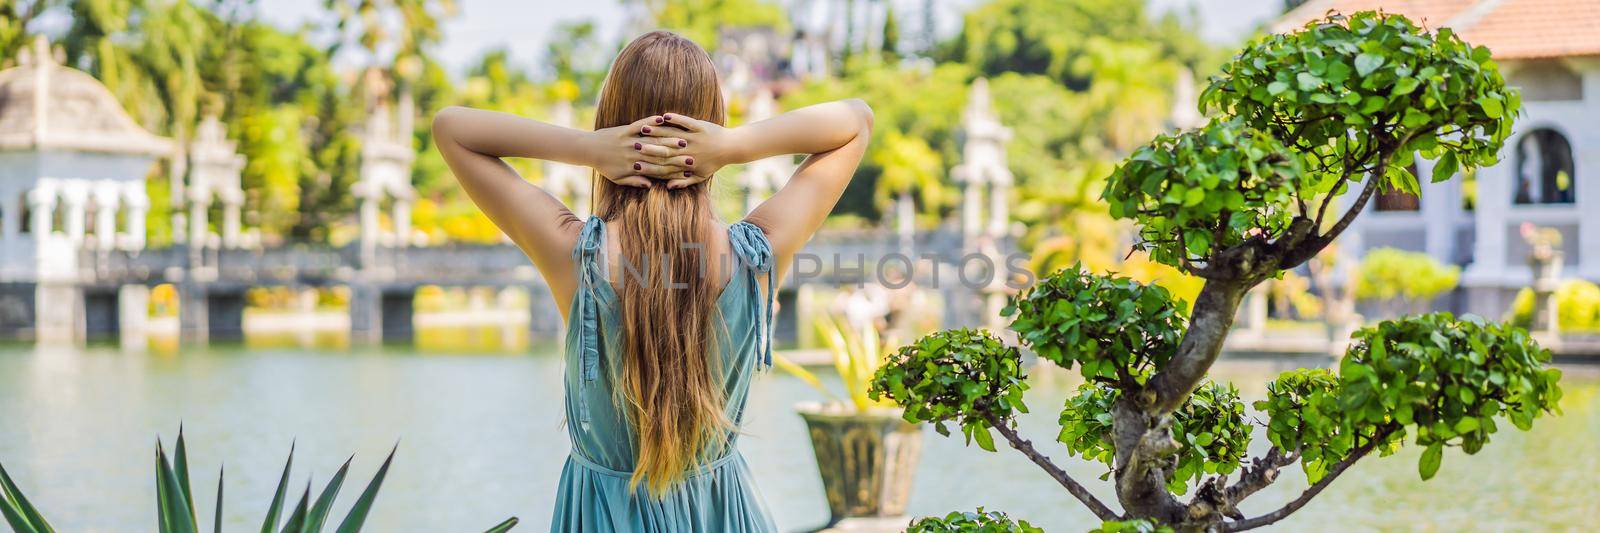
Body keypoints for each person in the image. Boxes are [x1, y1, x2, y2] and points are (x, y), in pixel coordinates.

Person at [431, 30, 872, 532]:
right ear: (712, 128)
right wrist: (733, 146)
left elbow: (452, 128)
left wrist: (587, 149)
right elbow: (856, 121)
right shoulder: (756, 254)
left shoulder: (574, 254)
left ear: (611, 126)